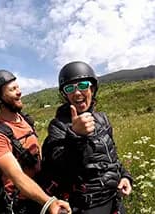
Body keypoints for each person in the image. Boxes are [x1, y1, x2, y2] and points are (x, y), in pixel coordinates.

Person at [41, 61, 132, 214]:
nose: (77, 93)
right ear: (65, 95)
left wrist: (124, 176)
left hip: (114, 200)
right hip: (88, 206)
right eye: (70, 88)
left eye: (83, 85)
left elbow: (111, 155)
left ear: (93, 88)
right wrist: (76, 135)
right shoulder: (58, 126)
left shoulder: (102, 119)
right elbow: (62, 168)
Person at [0, 69, 71, 214]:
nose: (19, 92)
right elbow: (17, 177)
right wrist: (49, 202)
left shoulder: (25, 120)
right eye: (12, 89)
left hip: (42, 189)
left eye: (18, 87)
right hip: (22, 203)